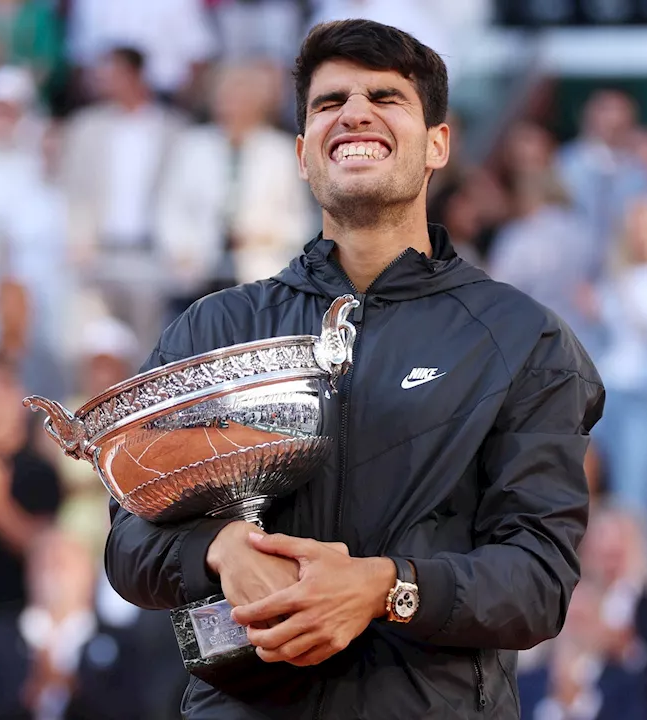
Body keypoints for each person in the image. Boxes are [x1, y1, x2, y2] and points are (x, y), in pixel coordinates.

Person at [102, 19, 605, 719]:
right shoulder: (215, 328)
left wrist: (384, 587)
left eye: (386, 97)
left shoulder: (521, 338)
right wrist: (220, 549)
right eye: (329, 102)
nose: (356, 113)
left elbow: (539, 581)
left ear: (438, 145)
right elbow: (128, 540)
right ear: (303, 153)